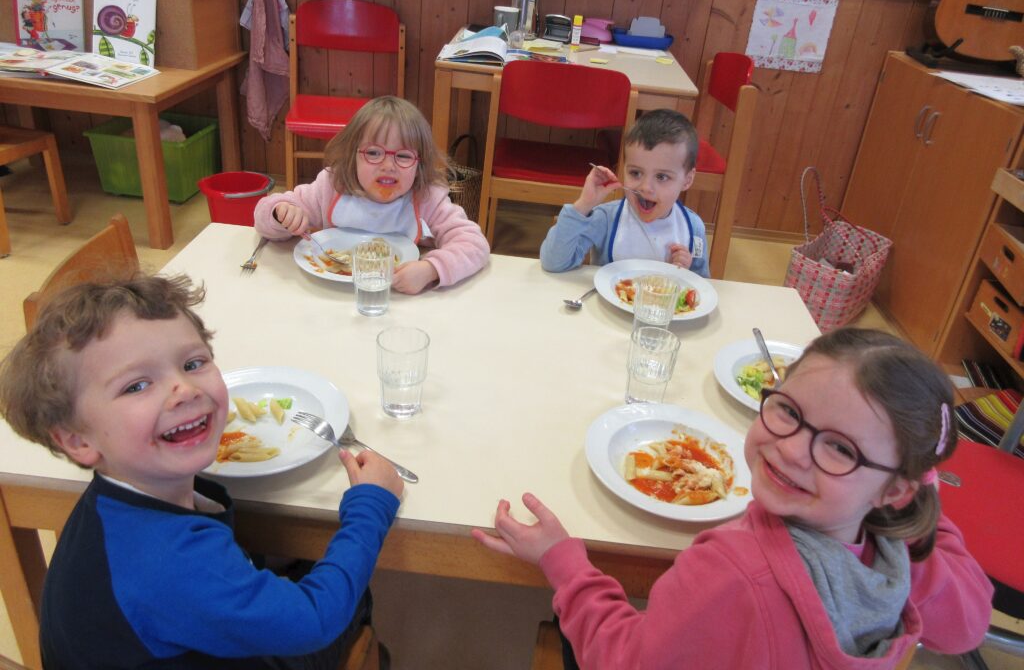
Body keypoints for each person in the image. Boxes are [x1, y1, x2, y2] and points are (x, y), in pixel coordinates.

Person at [473, 328, 995, 669]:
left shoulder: (732, 572)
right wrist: (912, 492)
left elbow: (625, 660)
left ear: (896, 488)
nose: (790, 451)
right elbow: (965, 624)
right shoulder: (888, 549)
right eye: (789, 411)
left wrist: (564, 564)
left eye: (840, 448)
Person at [0, 274, 404, 669]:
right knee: (347, 595)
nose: (186, 390)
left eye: (193, 363)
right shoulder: (170, 564)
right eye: (136, 386)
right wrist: (372, 505)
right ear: (76, 441)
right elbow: (315, 620)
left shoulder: (115, 502)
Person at [254, 95, 489, 294]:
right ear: (352, 155)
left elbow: (475, 245)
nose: (388, 165)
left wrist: (431, 270)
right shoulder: (332, 185)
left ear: (420, 164)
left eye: (404, 156)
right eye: (374, 153)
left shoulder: (426, 197)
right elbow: (265, 216)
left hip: (397, 298)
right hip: (327, 294)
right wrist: (280, 213)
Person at [539, 109, 709, 277]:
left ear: (687, 180)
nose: (645, 187)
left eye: (662, 177)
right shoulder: (607, 218)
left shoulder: (692, 227)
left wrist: (685, 272)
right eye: (635, 173)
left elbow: (703, 287)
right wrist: (583, 205)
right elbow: (553, 262)